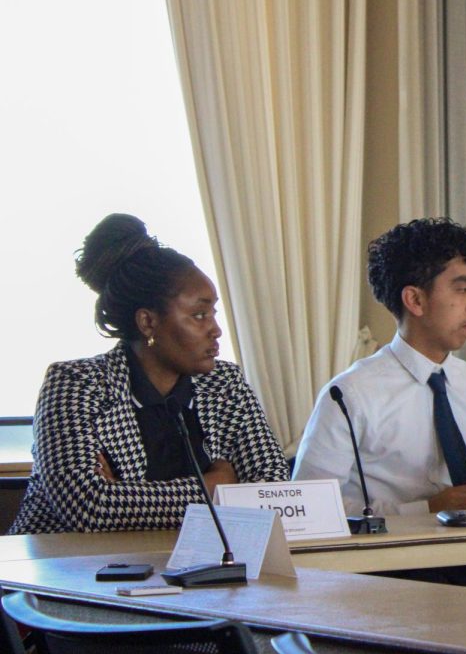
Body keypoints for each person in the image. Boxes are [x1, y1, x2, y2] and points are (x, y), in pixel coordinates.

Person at [293, 218, 466, 594]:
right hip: (384, 580)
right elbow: (310, 513)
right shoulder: (350, 394)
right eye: (462, 288)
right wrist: (426, 508)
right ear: (415, 300)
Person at [10, 214, 290, 535]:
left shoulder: (224, 383)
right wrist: (215, 487)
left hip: (190, 564)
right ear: (148, 323)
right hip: (61, 572)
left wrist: (127, 499)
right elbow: (91, 510)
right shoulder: (76, 384)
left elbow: (274, 491)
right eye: (199, 315)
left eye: (213, 312)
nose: (215, 330)